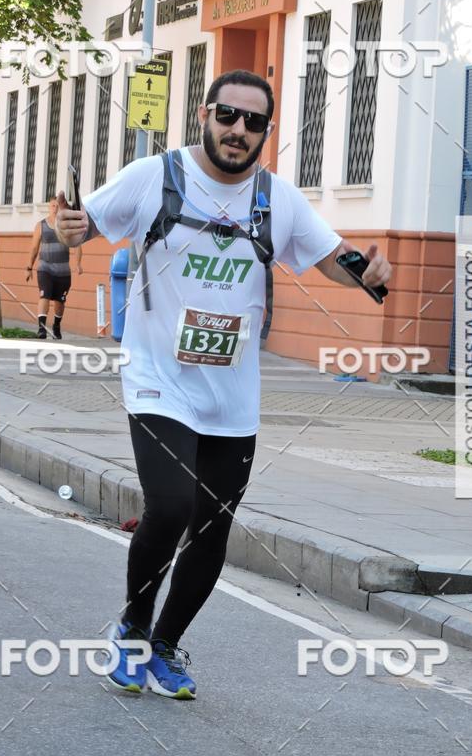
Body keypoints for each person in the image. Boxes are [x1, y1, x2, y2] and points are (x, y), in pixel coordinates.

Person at [55, 69, 392, 700]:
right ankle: (130, 628)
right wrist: (68, 229)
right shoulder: (154, 177)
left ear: (265, 132)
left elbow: (334, 258)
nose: (238, 131)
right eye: (228, 116)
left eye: (253, 122)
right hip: (157, 379)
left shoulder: (278, 199)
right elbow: (83, 222)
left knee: (212, 527)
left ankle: (164, 646)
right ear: (205, 115)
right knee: (172, 506)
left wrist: (370, 271)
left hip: (232, 394)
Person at [26, 196, 83, 339]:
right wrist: (29, 267)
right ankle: (42, 328)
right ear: (48, 207)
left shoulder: (67, 226)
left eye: (57, 206)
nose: (55, 208)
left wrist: (78, 264)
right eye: (52, 206)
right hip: (45, 267)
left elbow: (77, 246)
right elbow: (34, 247)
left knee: (60, 301)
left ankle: (56, 327)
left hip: (63, 270)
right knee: (44, 296)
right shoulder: (41, 225)